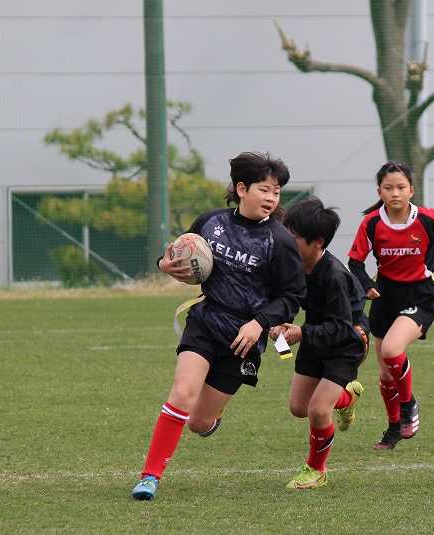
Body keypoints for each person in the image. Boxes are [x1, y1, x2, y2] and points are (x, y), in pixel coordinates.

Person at [131, 152, 306, 501]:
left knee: (198, 422)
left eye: (276, 192)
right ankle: (150, 476)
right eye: (264, 190)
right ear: (241, 189)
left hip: (243, 340)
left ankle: (210, 420)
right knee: (182, 393)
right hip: (206, 322)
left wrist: (259, 323)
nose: (271, 198)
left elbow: (293, 295)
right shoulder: (211, 223)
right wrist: (164, 263)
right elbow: (179, 253)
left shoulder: (280, 242)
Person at [347, 161, 434, 450]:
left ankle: (408, 404)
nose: (395, 193)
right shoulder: (372, 223)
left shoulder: (426, 219)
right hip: (385, 296)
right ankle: (393, 428)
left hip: (421, 295)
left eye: (401, 187)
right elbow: (355, 262)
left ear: (411, 190)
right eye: (388, 188)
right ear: (379, 191)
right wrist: (367, 284)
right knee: (385, 374)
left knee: (391, 349)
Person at [270, 196, 367, 490]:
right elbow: (289, 299)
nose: (286, 242)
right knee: (299, 407)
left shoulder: (334, 276)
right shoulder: (294, 265)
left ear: (317, 243)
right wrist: (279, 326)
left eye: (294, 238)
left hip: (346, 342)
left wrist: (300, 333)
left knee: (318, 409)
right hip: (315, 334)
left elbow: (341, 327)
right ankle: (346, 397)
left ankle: (316, 470)